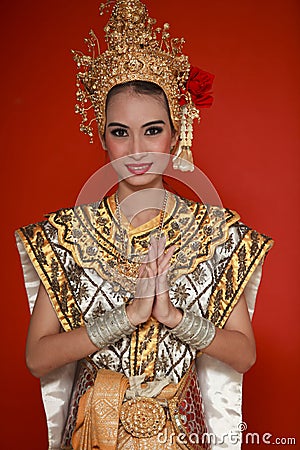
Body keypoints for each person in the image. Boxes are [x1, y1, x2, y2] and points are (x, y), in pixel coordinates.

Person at [15, 1, 273, 449]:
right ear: (101, 137)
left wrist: (172, 316)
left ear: (177, 133)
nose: (137, 149)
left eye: (153, 130)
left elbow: (244, 354)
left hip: (179, 436)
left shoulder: (213, 233)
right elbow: (38, 358)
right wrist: (128, 316)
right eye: (120, 132)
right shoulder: (66, 237)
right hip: (94, 433)